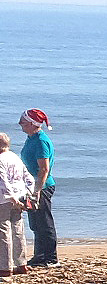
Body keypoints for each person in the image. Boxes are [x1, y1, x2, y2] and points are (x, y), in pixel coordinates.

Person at [18, 109, 56, 268]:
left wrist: (37, 190)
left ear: (33, 124)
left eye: (23, 122)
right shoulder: (31, 138)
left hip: (42, 186)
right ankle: (40, 256)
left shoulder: (41, 141)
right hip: (31, 186)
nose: (20, 124)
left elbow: (44, 169)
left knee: (44, 222)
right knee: (35, 223)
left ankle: (50, 258)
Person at [0, 133, 30, 275]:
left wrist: (13, 198)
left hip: (5, 199)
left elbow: (3, 182)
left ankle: (5, 267)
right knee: (18, 230)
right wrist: (30, 194)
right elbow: (28, 177)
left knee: (3, 232)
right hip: (19, 196)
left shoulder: (1, 160)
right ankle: (21, 263)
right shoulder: (15, 157)